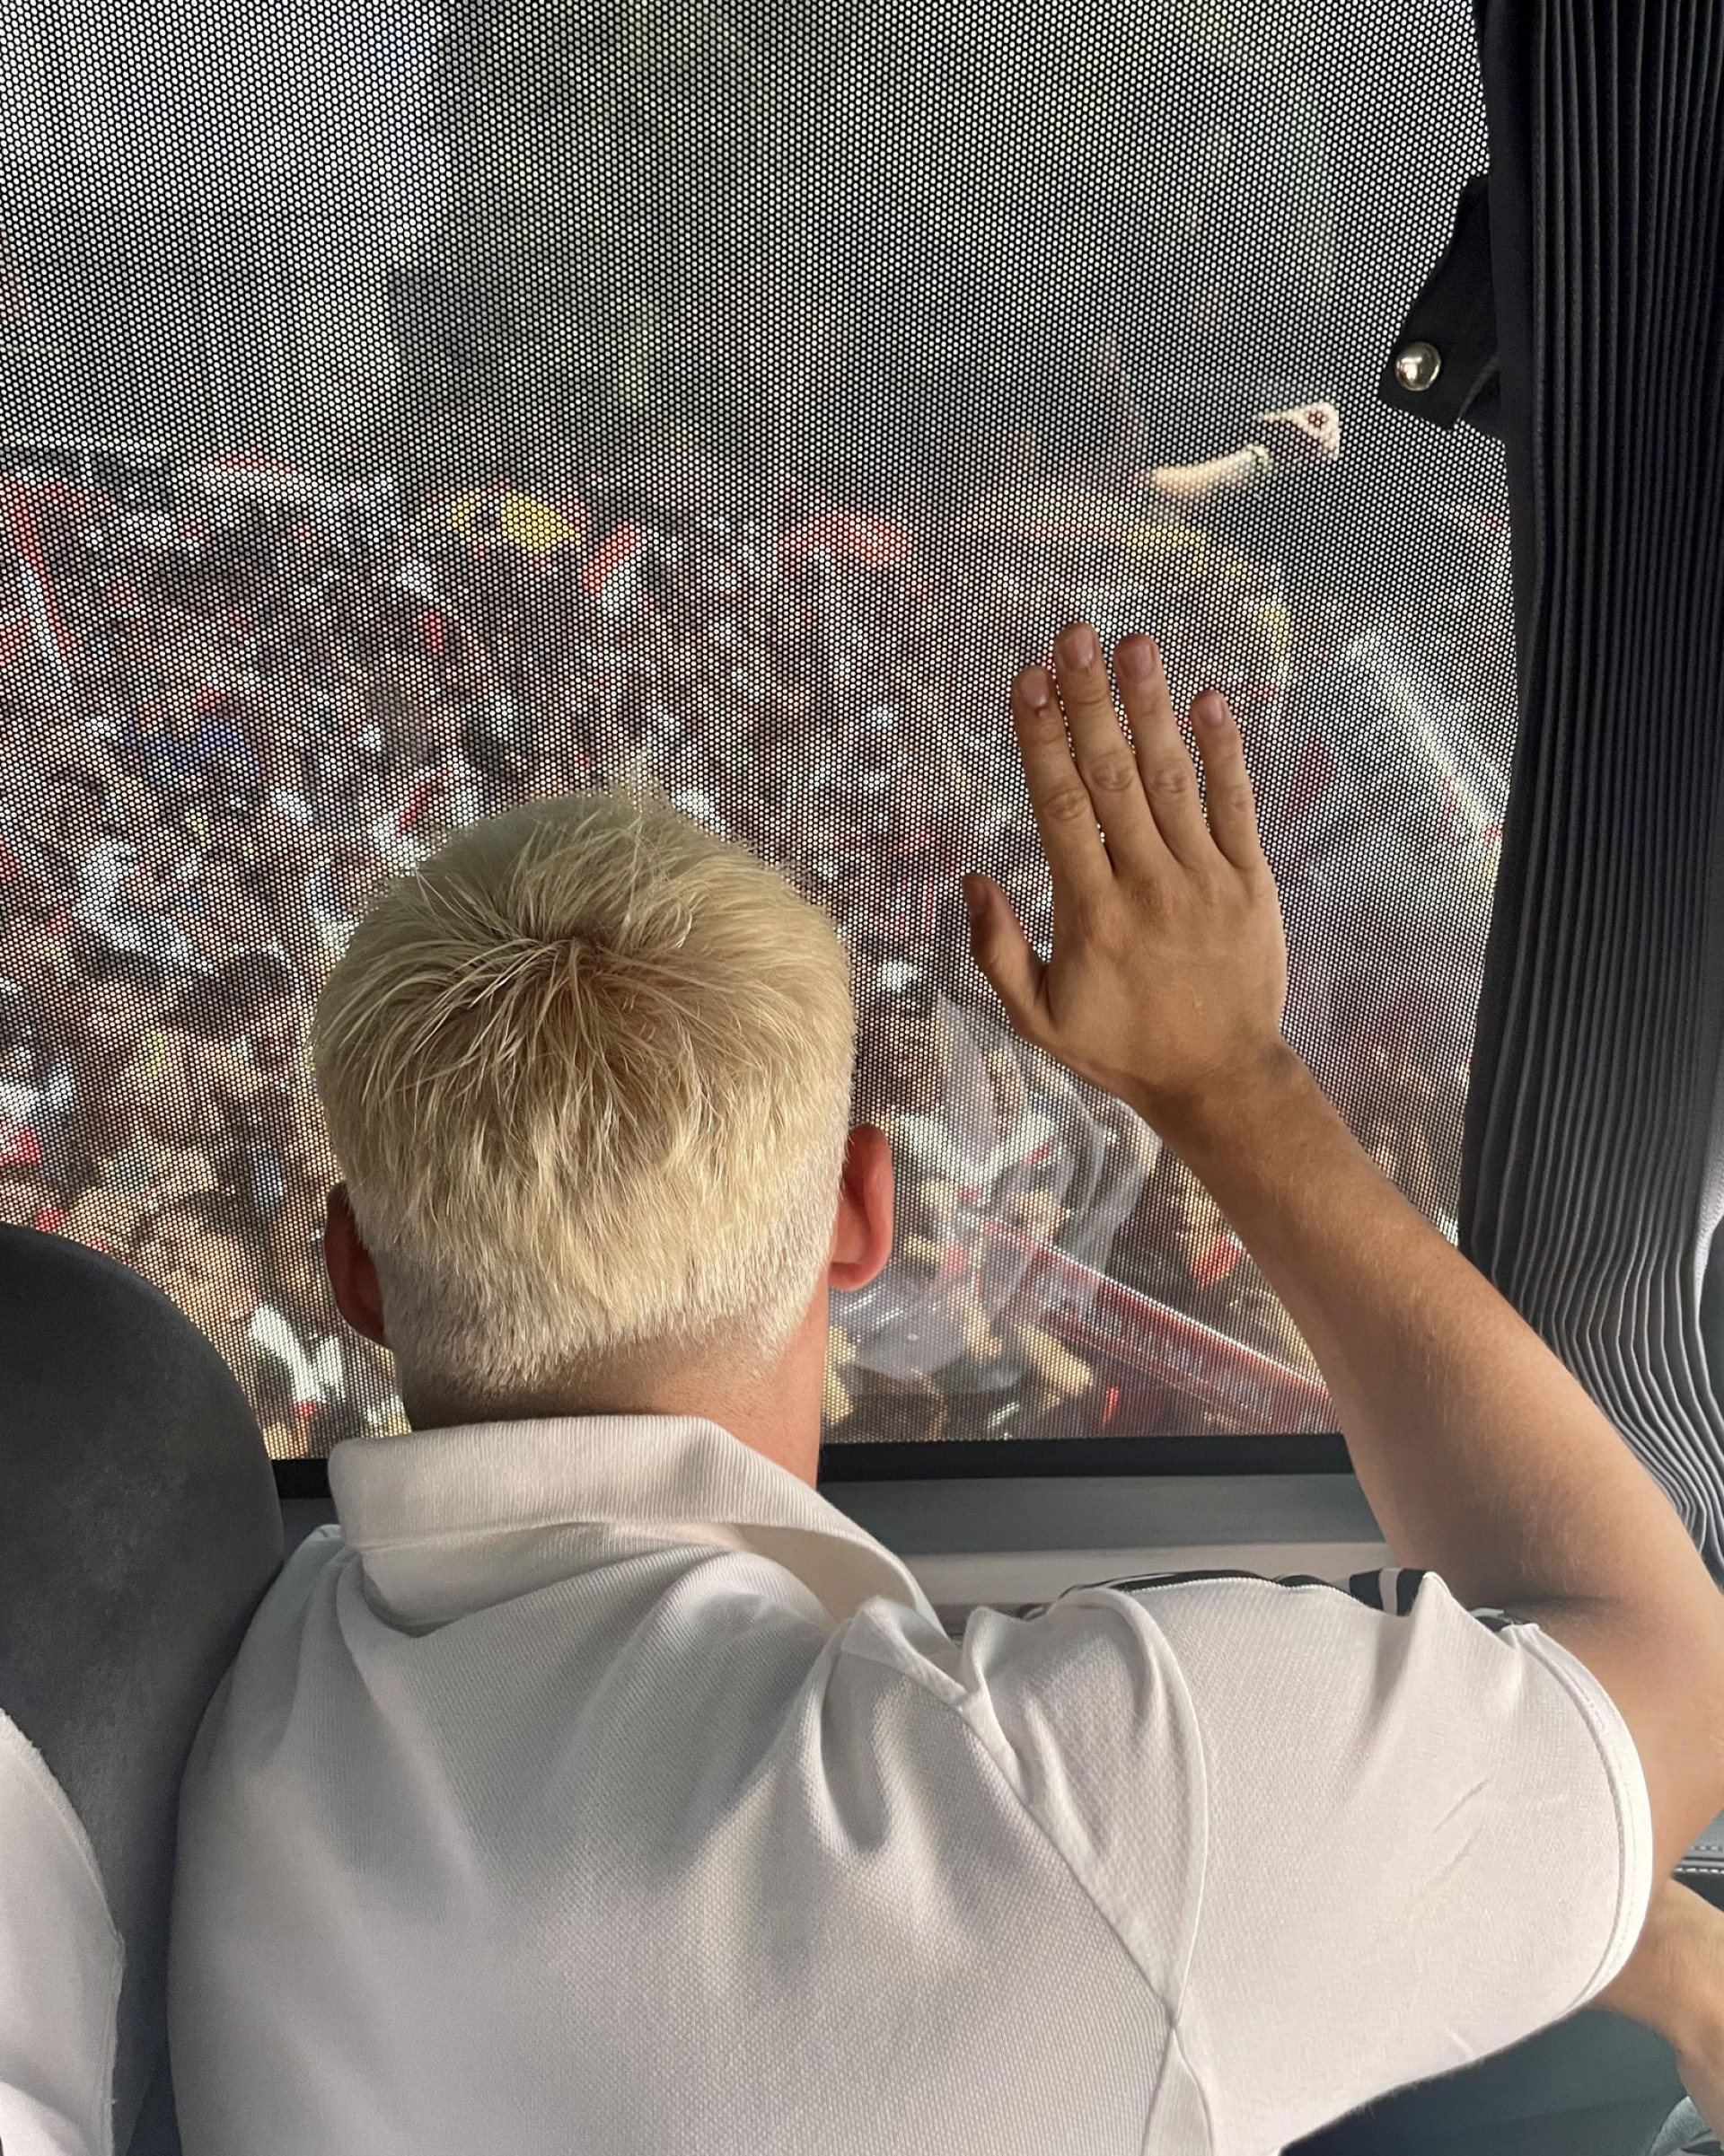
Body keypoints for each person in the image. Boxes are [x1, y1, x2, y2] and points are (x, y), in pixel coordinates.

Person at [157, 624, 1724, 2156]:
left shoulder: (250, 1681)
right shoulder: (1069, 1815)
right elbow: (1660, 1649)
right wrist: (1224, 1081)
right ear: (861, 1215)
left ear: (354, 1271)